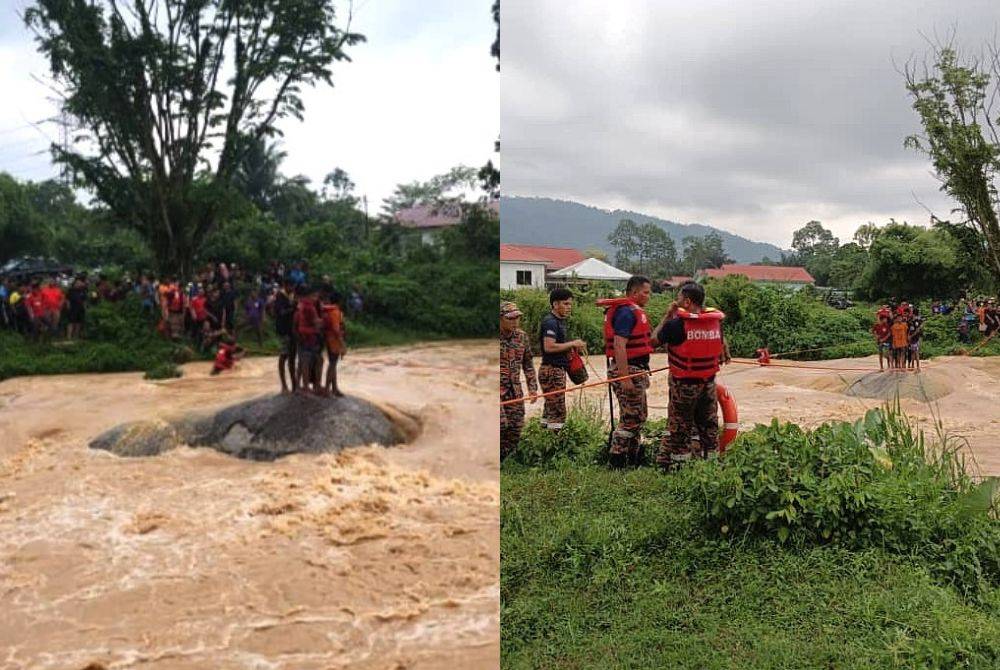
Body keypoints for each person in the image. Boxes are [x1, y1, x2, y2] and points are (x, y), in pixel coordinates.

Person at [653, 281, 728, 470]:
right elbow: (722, 346)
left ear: (686, 302)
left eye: (678, 298)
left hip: (684, 385)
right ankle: (712, 468)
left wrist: (667, 316)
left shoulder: (676, 324)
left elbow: (653, 341)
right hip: (708, 384)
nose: (676, 301)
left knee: (681, 429)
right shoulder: (714, 323)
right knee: (709, 427)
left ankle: (681, 470)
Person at [604, 275, 654, 468]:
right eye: (646, 292)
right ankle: (617, 460)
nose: (648, 296)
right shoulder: (626, 313)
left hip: (637, 370)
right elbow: (619, 345)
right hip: (628, 371)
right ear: (634, 292)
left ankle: (632, 458)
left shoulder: (634, 311)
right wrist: (625, 378)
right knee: (630, 418)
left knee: (639, 416)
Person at [538, 288, 586, 431]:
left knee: (550, 409)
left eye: (570, 304)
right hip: (552, 371)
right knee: (557, 412)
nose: (569, 307)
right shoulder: (550, 322)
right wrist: (572, 344)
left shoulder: (560, 322)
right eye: (565, 304)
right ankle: (554, 441)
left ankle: (543, 437)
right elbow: (549, 347)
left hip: (556, 370)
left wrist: (573, 348)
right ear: (555, 304)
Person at [500, 301, 538, 462]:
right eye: (510, 318)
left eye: (517, 317)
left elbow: (528, 363)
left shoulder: (522, 337)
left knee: (515, 428)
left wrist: (532, 388)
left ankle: (503, 461)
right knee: (500, 425)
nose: (515, 321)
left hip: (514, 391)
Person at [293, 285, 322, 394]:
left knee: (303, 362)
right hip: (309, 337)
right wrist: (323, 321)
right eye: (315, 296)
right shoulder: (310, 307)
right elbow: (316, 323)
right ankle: (307, 387)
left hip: (302, 335)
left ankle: (300, 386)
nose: (316, 298)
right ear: (309, 295)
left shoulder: (300, 305)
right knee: (310, 361)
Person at [270, 278, 297, 393]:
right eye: (291, 286)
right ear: (285, 285)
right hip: (283, 330)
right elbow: (281, 312)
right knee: (284, 355)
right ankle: (284, 385)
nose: (292, 289)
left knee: (292, 357)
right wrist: (293, 308)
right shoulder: (280, 296)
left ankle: (294, 385)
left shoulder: (291, 296)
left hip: (292, 330)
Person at [321, 288, 347, 397]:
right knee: (332, 364)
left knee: (333, 363)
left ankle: (334, 388)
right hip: (334, 340)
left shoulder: (326, 310)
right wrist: (342, 344)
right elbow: (336, 329)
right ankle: (327, 389)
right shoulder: (335, 312)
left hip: (328, 338)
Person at [65, 275, 88, 340]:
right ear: (74, 284)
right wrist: (68, 307)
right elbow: (67, 299)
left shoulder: (83, 291)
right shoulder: (71, 290)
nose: (78, 284)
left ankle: (76, 336)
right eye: (77, 283)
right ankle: (69, 336)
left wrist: (85, 308)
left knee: (79, 323)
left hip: (80, 308)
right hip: (72, 308)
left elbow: (84, 300)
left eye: (79, 283)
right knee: (71, 322)